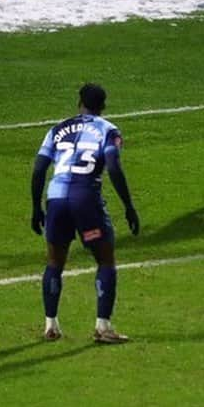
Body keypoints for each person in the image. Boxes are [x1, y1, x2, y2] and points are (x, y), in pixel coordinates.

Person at [30, 83, 140, 344]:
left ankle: (50, 325)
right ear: (103, 106)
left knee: (55, 263)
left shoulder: (56, 129)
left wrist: (36, 207)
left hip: (56, 198)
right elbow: (113, 166)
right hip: (85, 199)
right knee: (105, 260)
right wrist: (128, 205)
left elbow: (38, 169)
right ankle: (103, 327)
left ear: (79, 102)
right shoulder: (108, 130)